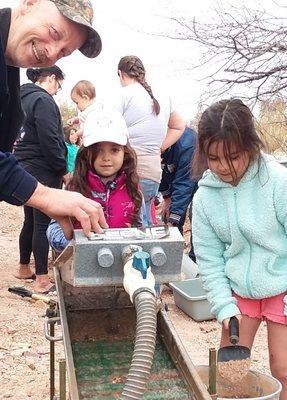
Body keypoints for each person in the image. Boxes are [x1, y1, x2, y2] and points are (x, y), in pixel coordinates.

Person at [191, 98, 287, 398]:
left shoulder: (277, 182)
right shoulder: (205, 198)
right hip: (238, 291)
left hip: (281, 286)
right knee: (231, 370)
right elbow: (209, 260)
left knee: (282, 368)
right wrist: (223, 306)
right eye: (214, 158)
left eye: (233, 156)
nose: (223, 167)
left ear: (250, 145)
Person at [0, 0, 108, 240]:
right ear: (30, 3)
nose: (51, 52)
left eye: (63, 52)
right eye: (54, 33)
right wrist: (46, 195)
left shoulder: (9, 74)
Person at [47, 107, 143, 252]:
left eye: (114, 150)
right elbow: (54, 229)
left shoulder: (133, 189)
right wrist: (75, 243)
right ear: (86, 153)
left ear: (125, 152)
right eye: (98, 150)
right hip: (81, 268)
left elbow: (144, 228)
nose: (106, 157)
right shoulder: (74, 188)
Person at [13, 66, 69, 292]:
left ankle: (24, 267)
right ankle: (42, 279)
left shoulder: (20, 98)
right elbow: (50, 139)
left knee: (30, 219)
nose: (57, 91)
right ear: (52, 78)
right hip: (43, 168)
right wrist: (63, 168)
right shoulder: (43, 101)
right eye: (59, 85)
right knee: (42, 223)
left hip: (21, 166)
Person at [116, 55, 185, 226]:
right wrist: (158, 148)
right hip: (153, 171)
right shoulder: (163, 95)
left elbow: (110, 128)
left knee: (131, 223)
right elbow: (179, 126)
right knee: (145, 218)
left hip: (129, 168)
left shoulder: (123, 94)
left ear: (120, 73)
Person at [159, 126, 197, 261]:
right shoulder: (150, 139)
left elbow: (185, 183)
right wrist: (167, 198)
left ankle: (195, 263)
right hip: (174, 178)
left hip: (196, 179)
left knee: (197, 216)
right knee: (167, 214)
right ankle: (175, 259)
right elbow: (159, 172)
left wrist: (173, 221)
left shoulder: (187, 143)